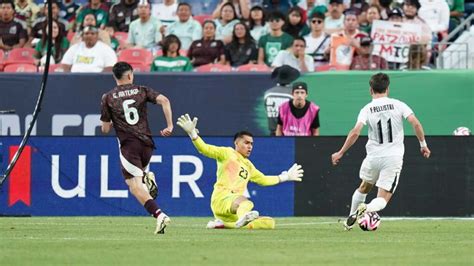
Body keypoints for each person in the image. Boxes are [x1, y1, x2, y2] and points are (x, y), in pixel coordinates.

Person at [331, 72, 431, 231]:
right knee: (382, 199)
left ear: (371, 90)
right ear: (387, 89)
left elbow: (355, 132)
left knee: (363, 187)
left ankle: (349, 222)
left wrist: (341, 152)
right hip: (393, 158)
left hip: (373, 157)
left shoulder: (367, 109)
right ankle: (366, 209)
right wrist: (423, 144)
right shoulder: (399, 105)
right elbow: (416, 124)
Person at [176, 114, 304, 229]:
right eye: (246, 143)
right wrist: (193, 134)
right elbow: (204, 149)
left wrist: (286, 176)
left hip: (234, 210)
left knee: (269, 223)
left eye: (252, 144)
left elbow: (264, 180)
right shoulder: (227, 153)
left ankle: (223, 224)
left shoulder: (248, 166)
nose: (250, 146)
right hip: (222, 199)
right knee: (247, 203)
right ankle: (238, 220)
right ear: (236, 143)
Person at [100, 61, 173, 234]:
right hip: (147, 144)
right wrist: (169, 126)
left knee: (134, 186)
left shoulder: (108, 97)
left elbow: (105, 129)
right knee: (137, 181)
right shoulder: (141, 90)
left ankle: (159, 215)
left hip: (129, 146)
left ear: (114, 77)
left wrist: (111, 120)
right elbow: (165, 100)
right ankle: (148, 175)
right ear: (130, 74)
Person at [263, 65, 300, 136]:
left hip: (273, 133)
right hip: (290, 134)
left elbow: (267, 111)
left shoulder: (268, 93)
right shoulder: (294, 94)